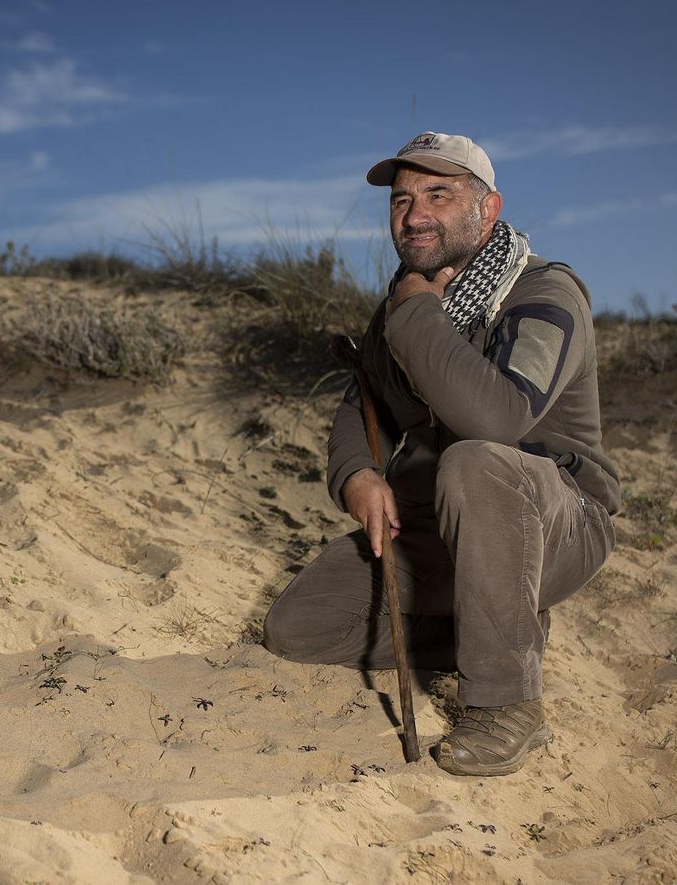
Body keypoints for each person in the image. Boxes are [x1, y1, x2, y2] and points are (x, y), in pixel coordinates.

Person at [262, 131, 620, 776]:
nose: (414, 214)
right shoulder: (406, 301)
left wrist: (416, 317)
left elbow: (498, 419)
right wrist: (358, 475)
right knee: (298, 629)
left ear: (487, 208)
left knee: (474, 460)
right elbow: (360, 402)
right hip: (436, 529)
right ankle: (494, 630)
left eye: (438, 194)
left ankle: (506, 701)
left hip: (554, 526)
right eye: (401, 200)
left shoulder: (543, 295)